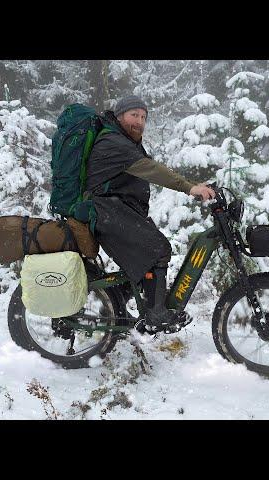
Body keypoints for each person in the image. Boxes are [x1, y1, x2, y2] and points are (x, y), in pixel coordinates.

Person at [85, 95, 215, 331]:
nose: (140, 121)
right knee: (158, 249)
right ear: (119, 115)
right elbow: (152, 170)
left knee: (147, 256)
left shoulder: (124, 141)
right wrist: (189, 187)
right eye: (134, 115)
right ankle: (156, 316)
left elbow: (154, 169)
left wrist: (195, 184)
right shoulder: (113, 142)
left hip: (116, 210)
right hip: (105, 211)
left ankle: (118, 305)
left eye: (143, 117)